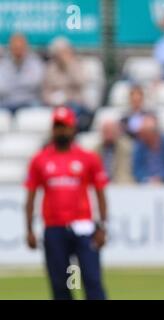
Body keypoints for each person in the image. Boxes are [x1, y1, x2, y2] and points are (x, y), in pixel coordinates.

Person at [24, 106, 108, 300]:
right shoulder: (40, 160)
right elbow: (31, 197)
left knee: (92, 280)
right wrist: (29, 229)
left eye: (65, 127)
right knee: (59, 284)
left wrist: (102, 226)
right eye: (58, 127)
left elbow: (100, 194)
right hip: (54, 228)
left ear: (73, 129)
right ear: (52, 129)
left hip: (84, 227)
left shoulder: (88, 158)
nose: (61, 131)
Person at [42, 37, 92, 132]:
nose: (61, 56)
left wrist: (68, 65)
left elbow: (80, 83)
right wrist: (52, 100)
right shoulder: (50, 69)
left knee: (75, 113)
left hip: (75, 103)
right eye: (59, 53)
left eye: (64, 52)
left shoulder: (77, 65)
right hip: (55, 105)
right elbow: (45, 91)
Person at [0, 33, 44, 114]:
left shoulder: (35, 63)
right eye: (15, 47)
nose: (18, 50)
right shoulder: (3, 64)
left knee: (38, 108)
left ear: (26, 47)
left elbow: (35, 83)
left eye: (20, 47)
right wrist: (22, 83)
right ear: (10, 47)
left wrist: (14, 82)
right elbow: (2, 88)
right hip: (7, 101)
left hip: (29, 101)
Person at [132, 114, 164, 183]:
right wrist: (147, 179)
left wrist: (162, 178)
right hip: (145, 185)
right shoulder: (140, 146)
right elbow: (137, 169)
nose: (142, 136)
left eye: (146, 134)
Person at [95, 118, 134, 184]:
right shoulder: (95, 150)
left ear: (117, 132)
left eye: (112, 131)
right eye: (106, 131)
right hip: (101, 183)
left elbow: (125, 172)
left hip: (119, 185)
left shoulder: (126, 148)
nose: (109, 135)